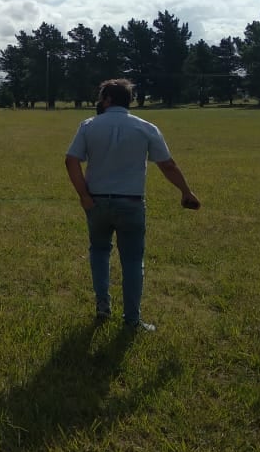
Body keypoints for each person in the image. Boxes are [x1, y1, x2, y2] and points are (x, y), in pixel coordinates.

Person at [65, 79, 200, 330]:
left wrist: (83, 196)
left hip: (96, 202)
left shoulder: (88, 126)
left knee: (99, 252)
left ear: (107, 99)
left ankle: (102, 306)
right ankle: (132, 320)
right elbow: (167, 165)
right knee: (132, 261)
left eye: (100, 97)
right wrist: (185, 191)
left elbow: (71, 160)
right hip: (131, 203)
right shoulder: (146, 128)